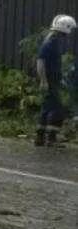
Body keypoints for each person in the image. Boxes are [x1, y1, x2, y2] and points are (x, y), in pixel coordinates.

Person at [35, 14, 77, 147]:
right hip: (51, 81)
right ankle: (51, 139)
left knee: (47, 108)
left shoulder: (53, 40)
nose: (69, 34)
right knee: (58, 109)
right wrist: (43, 81)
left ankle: (40, 138)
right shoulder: (50, 42)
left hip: (53, 80)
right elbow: (40, 62)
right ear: (64, 28)